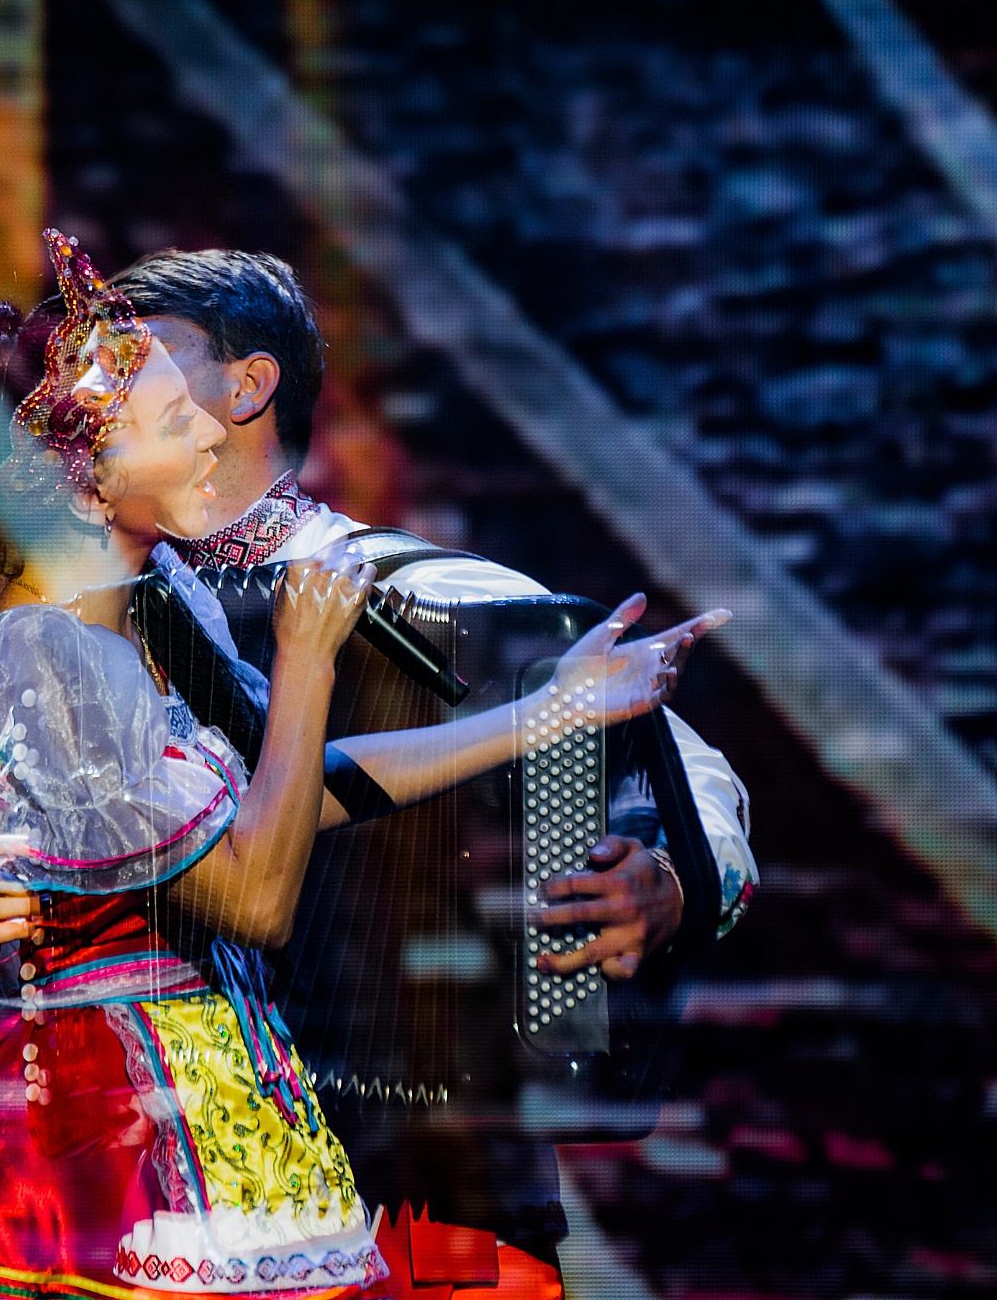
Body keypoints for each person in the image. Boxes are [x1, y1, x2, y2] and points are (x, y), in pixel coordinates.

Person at [0, 233, 724, 1300]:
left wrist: (660, 859)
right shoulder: (61, 629)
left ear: (248, 386)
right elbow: (1, 839)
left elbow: (668, 772)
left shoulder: (365, 591)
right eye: (135, 390)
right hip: (127, 1136)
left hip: (355, 1164)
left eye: (152, 364)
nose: (157, 398)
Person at [105, 246, 760, 1292]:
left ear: (246, 386)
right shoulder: (77, 610)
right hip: (156, 1202)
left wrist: (669, 880)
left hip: (429, 1210)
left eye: (133, 355)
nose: (94, 383)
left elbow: (680, 763)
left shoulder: (428, 594)